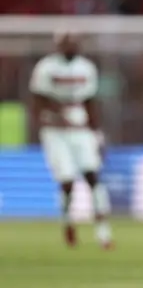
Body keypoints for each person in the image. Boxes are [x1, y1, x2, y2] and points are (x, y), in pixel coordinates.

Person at [29, 32, 113, 249]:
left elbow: (90, 101)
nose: (71, 47)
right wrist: (57, 114)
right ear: (58, 46)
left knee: (92, 175)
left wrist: (97, 133)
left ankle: (103, 233)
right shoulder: (46, 68)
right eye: (67, 44)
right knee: (67, 181)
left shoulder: (86, 68)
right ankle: (68, 221)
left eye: (74, 43)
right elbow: (38, 100)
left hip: (80, 128)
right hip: (55, 131)